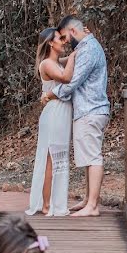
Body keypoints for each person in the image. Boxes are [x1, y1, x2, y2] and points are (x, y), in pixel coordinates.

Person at [41, 15, 110, 217]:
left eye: (64, 37)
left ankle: (93, 206)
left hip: (91, 109)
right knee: (88, 157)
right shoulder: (85, 47)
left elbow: (72, 82)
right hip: (88, 109)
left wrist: (50, 94)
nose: (65, 41)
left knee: (93, 157)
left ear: (72, 31)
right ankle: (88, 201)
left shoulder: (88, 49)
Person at [25, 27, 76, 216]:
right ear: (50, 43)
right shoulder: (46, 64)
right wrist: (72, 58)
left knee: (59, 158)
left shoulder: (56, 61)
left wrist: (81, 44)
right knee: (50, 160)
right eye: (59, 39)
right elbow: (65, 77)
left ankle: (54, 202)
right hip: (54, 114)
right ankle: (47, 205)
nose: (63, 41)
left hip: (61, 113)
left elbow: (69, 62)